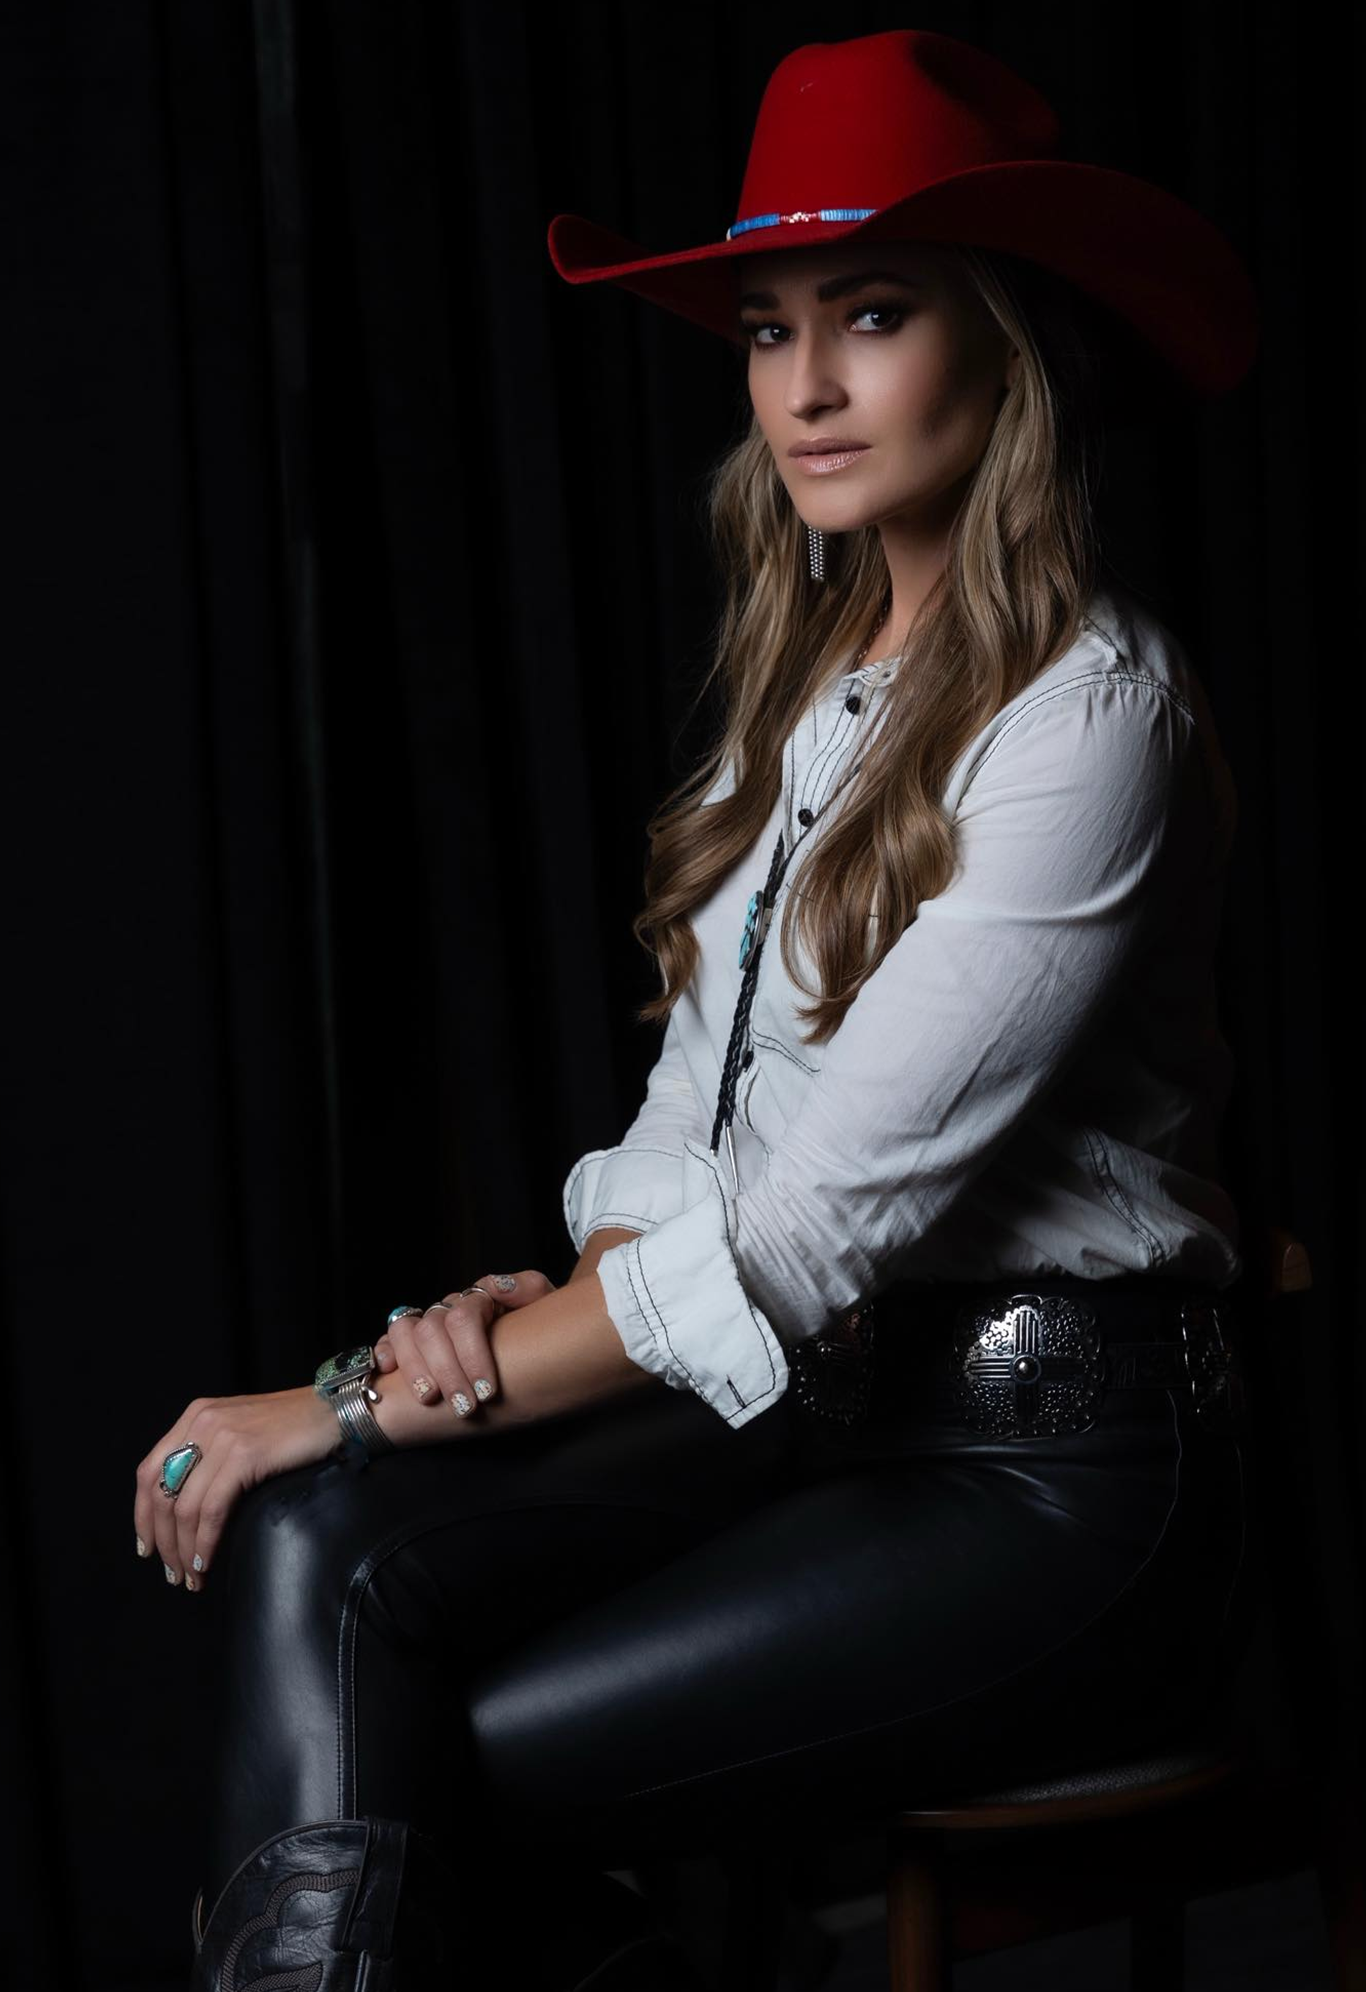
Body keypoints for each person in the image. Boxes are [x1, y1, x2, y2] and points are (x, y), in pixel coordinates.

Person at [139, 28, 1262, 1990]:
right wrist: (525, 1310)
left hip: (1046, 1495)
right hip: (804, 1431)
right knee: (323, 1566)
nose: (804, 386)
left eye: (873, 314)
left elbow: (809, 1222)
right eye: (765, 329)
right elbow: (690, 1144)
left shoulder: (1089, 717)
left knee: (388, 1749)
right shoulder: (817, 702)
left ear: (997, 350)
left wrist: (339, 1397)